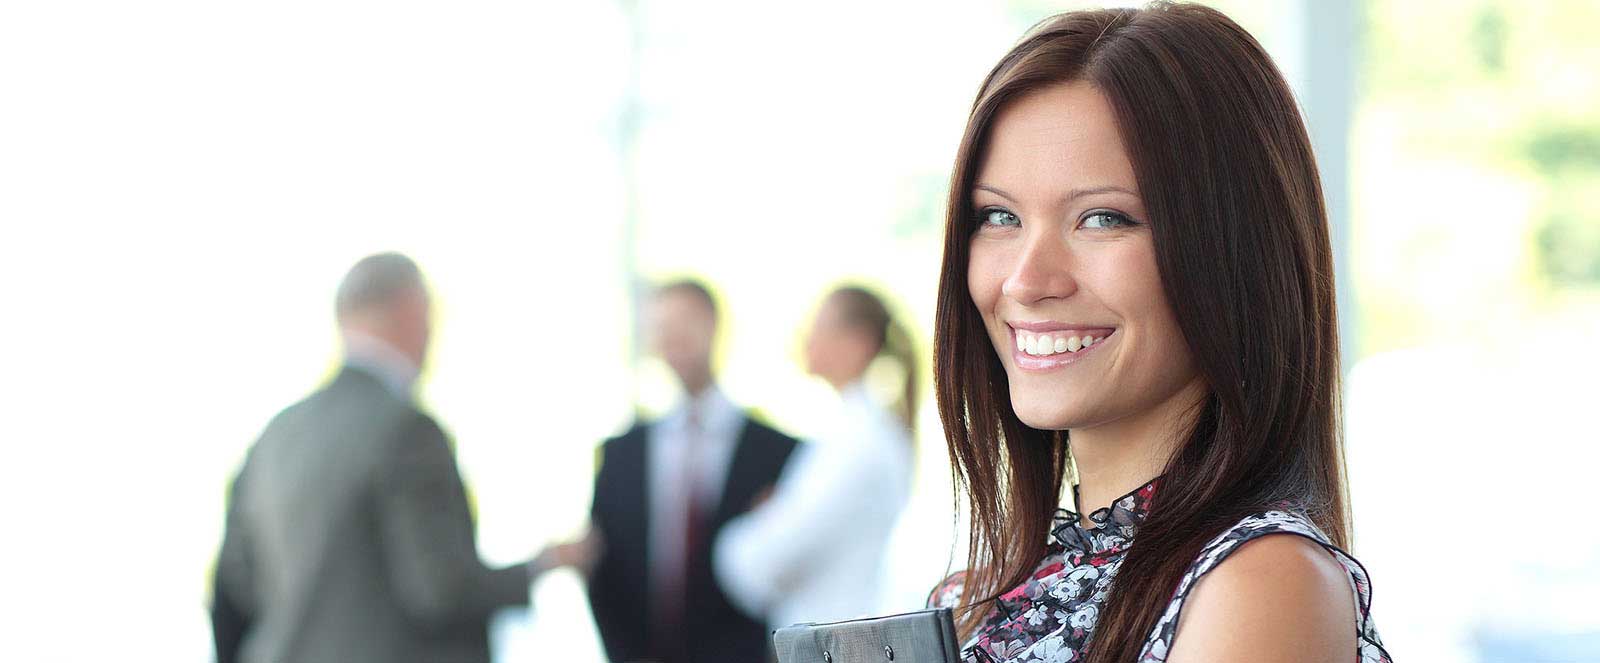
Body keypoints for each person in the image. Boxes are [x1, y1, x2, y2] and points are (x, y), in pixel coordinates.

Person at [924, 4, 1391, 662]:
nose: (1027, 281)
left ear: (1232, 251)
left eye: (1102, 219)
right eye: (999, 215)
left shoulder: (1257, 580)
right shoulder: (984, 595)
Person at [211, 252, 590, 663]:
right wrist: (543, 565)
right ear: (411, 309)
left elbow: (239, 578)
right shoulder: (406, 430)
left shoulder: (278, 431)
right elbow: (440, 589)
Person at [587, 279, 800, 663]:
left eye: (686, 322)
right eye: (663, 327)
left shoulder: (779, 452)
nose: (675, 338)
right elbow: (603, 569)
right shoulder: (620, 454)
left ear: (715, 326)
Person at [714, 285, 917, 629]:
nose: (806, 338)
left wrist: (760, 523)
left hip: (839, 640)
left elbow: (764, 560)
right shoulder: (857, 432)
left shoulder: (858, 442)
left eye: (820, 326)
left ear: (859, 343)